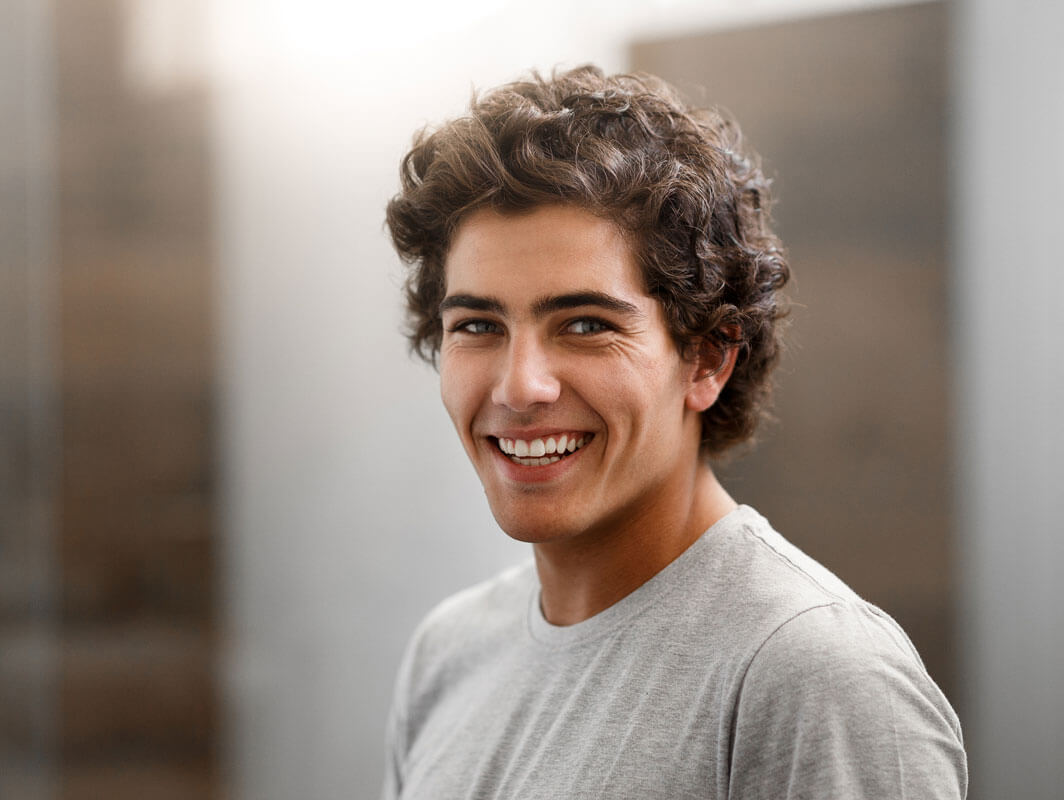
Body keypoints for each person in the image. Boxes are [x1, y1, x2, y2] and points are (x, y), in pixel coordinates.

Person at [380, 65, 966, 799]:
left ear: (708, 356)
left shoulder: (814, 675)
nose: (519, 385)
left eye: (586, 325)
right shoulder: (449, 652)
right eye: (477, 326)